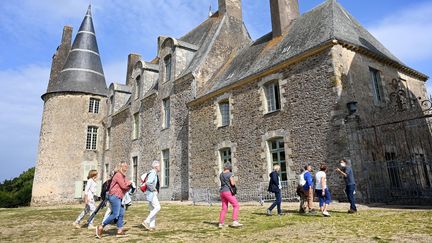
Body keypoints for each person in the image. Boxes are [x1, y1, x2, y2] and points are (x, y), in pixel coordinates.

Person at [96, 162, 132, 238]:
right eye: (124, 166)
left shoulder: (123, 176)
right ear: (120, 167)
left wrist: (130, 185)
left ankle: (119, 231)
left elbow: (125, 186)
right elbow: (124, 186)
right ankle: (101, 226)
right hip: (115, 196)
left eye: (127, 166)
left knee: (121, 213)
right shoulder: (118, 175)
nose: (126, 167)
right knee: (115, 214)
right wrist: (130, 186)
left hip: (119, 197)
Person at [219, 163, 242, 228]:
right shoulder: (230, 174)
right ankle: (235, 221)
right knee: (236, 205)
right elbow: (232, 183)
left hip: (222, 192)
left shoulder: (221, 174)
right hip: (228, 192)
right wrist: (234, 182)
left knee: (224, 208)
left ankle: (221, 223)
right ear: (229, 168)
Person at [142, 160, 161, 231]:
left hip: (150, 193)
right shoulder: (153, 173)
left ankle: (152, 226)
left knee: (153, 209)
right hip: (151, 193)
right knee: (158, 207)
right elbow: (148, 183)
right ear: (156, 166)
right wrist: (154, 189)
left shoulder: (153, 173)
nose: (160, 167)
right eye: (159, 166)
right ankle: (146, 221)